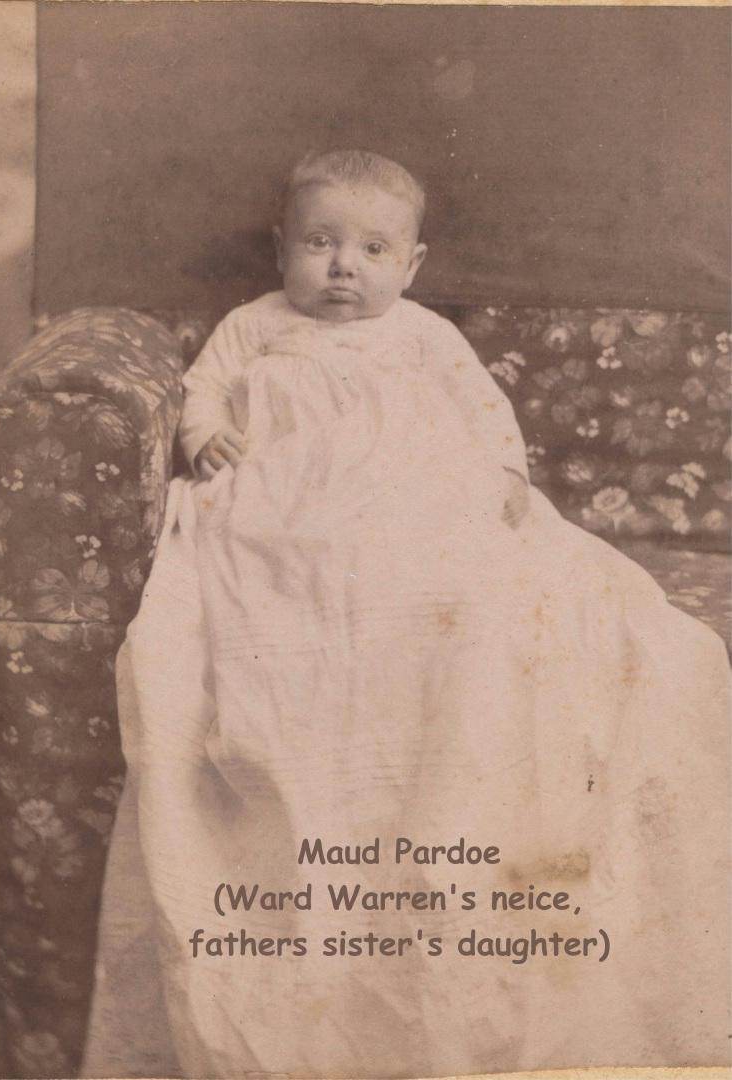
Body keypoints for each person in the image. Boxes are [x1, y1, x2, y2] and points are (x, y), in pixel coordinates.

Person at [83, 150, 730, 1079]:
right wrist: (206, 434)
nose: (343, 267)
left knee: (471, 594)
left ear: (412, 264)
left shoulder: (424, 336)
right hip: (287, 504)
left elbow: (483, 409)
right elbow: (202, 390)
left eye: (372, 249)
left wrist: (503, 474)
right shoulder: (254, 325)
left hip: (409, 501)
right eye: (320, 243)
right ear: (281, 248)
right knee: (279, 573)